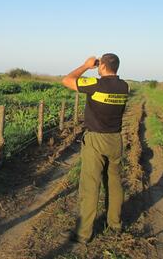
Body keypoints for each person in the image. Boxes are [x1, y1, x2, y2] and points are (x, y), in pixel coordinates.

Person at [61, 53, 129, 243]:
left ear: (103, 66)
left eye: (100, 65)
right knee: (114, 184)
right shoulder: (125, 86)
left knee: (90, 185)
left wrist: (85, 65)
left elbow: (67, 80)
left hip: (96, 140)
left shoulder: (96, 84)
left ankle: (83, 234)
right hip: (116, 139)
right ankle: (115, 225)